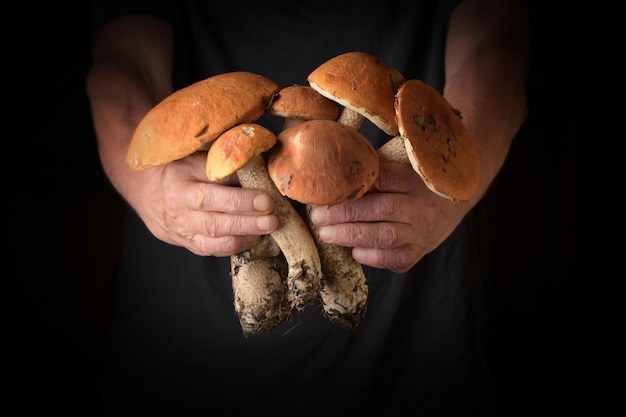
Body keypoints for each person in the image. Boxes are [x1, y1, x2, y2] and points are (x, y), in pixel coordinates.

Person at [86, 0, 530, 415]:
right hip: (184, 332)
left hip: (417, 330)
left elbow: (499, 43)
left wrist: (454, 171)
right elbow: (120, 63)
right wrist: (147, 183)